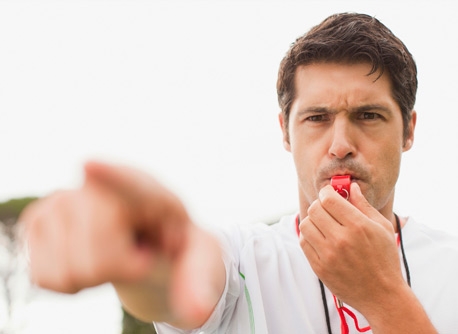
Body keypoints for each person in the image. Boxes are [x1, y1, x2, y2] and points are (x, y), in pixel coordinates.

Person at [20, 12, 458, 334]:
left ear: (409, 131)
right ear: (285, 132)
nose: (340, 144)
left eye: (368, 115)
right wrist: (148, 252)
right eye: (317, 118)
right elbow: (184, 277)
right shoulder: (244, 259)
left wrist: (384, 298)